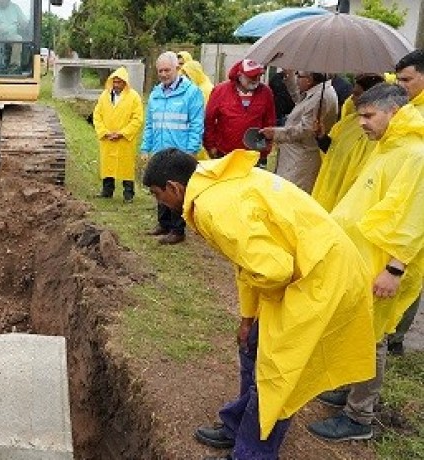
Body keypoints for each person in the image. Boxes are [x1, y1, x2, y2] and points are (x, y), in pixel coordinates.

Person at [142, 148, 375, 460]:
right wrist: (248, 316)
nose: (160, 203)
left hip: (319, 278)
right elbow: (249, 263)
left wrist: (265, 305)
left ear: (175, 187)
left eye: (158, 195)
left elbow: (271, 270)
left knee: (278, 372)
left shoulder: (214, 209)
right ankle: (237, 424)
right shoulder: (215, 181)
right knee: (252, 345)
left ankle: (253, 453)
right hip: (305, 265)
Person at [308, 83, 424, 442]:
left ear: (394, 112)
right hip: (361, 259)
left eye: (369, 116)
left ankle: (359, 417)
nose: (363, 123)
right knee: (354, 329)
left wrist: (394, 269)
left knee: (372, 338)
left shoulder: (415, 154)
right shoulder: (388, 147)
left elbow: (413, 218)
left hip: (381, 266)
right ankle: (347, 389)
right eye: (360, 116)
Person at [140, 51, 205, 245]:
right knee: (160, 188)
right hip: (160, 150)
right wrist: (145, 148)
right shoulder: (156, 94)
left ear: (176, 68)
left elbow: (196, 124)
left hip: (180, 152)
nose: (163, 74)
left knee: (176, 192)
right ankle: (164, 224)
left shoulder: (191, 93)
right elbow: (150, 124)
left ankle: (178, 230)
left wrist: (191, 150)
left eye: (167, 70)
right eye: (160, 71)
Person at [386, 49, 424, 356]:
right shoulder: (411, 109)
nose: (401, 86)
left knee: (409, 273)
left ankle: (394, 338)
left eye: (407, 80)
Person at [310, 74, 384, 212]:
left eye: (357, 94)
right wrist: (321, 137)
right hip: (332, 185)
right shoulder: (347, 122)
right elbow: (332, 150)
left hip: (351, 193)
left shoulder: (378, 131)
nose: (352, 99)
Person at [261, 71, 338, 193]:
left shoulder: (321, 97)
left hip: (301, 159)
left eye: (299, 76)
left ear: (309, 80)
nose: (297, 79)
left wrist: (275, 133)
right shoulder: (317, 93)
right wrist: (289, 77)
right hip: (295, 157)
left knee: (290, 195)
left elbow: (305, 130)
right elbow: (300, 101)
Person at [203, 60, 275, 168]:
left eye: (258, 76)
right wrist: (211, 146)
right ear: (240, 75)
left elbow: (269, 121)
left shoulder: (266, 92)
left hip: (253, 155)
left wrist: (265, 150)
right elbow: (209, 120)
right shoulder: (220, 91)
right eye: (251, 76)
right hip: (225, 154)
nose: (256, 80)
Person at [92, 67, 144, 202]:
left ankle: (128, 194)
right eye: (114, 82)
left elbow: (137, 119)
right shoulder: (104, 96)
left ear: (125, 83)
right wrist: (104, 132)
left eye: (119, 82)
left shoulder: (134, 97)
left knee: (126, 166)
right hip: (107, 139)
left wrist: (122, 133)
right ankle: (107, 191)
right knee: (108, 165)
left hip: (125, 140)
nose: (116, 85)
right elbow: (97, 115)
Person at [180, 60, 214, 161]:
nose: (186, 78)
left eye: (188, 75)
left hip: (203, 132)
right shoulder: (196, 88)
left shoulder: (205, 89)